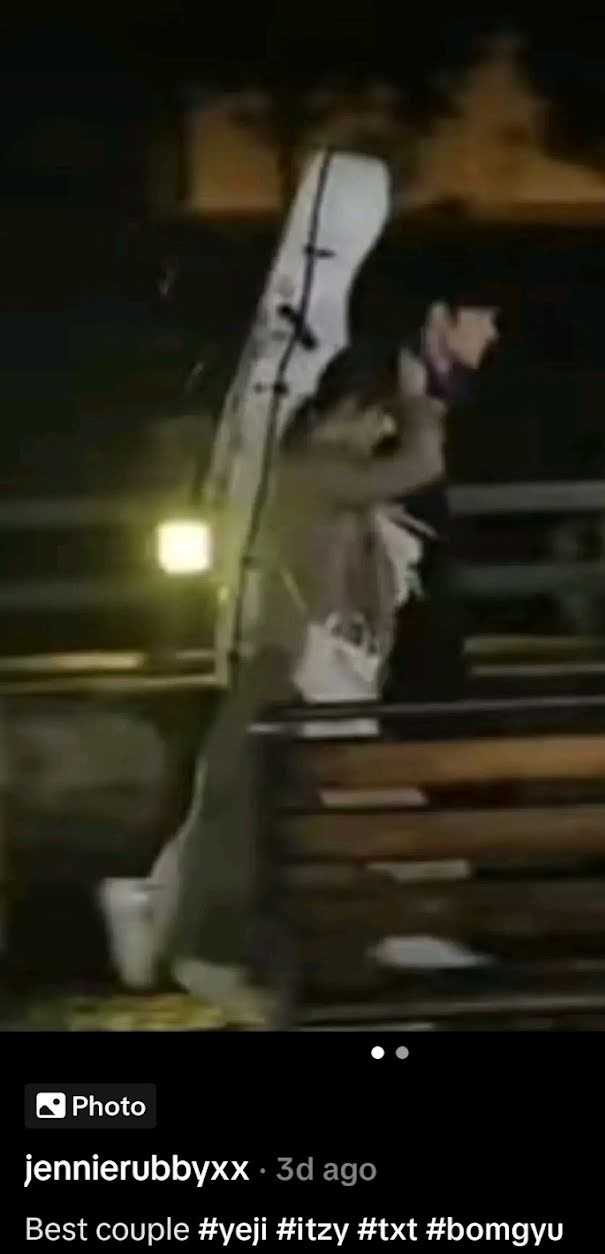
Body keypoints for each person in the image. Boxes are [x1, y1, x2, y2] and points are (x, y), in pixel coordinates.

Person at [100, 347, 445, 1019]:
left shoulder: (329, 472)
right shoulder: (313, 467)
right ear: (352, 409)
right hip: (302, 665)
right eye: (380, 419)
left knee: (245, 807)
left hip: (322, 666)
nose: (386, 433)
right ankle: (395, 925)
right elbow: (420, 465)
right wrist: (420, 401)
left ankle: (159, 912)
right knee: (299, 806)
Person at [381, 287, 500, 704]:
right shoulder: (394, 383)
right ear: (440, 319)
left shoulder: (452, 386)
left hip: (431, 534)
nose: (491, 332)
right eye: (482, 318)